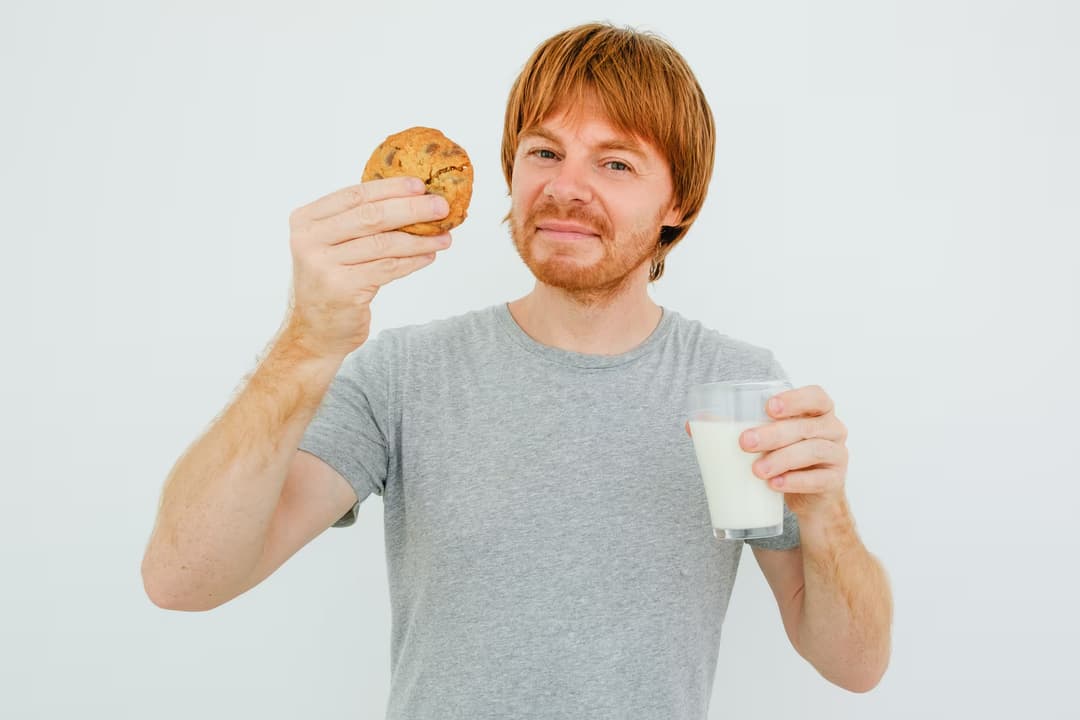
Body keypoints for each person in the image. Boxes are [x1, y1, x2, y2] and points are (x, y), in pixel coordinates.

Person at [141, 22, 893, 719]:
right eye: (544, 151)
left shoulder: (737, 389)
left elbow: (854, 667)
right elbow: (182, 579)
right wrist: (306, 342)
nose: (566, 186)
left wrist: (826, 512)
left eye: (616, 162)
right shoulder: (404, 375)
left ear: (680, 202)